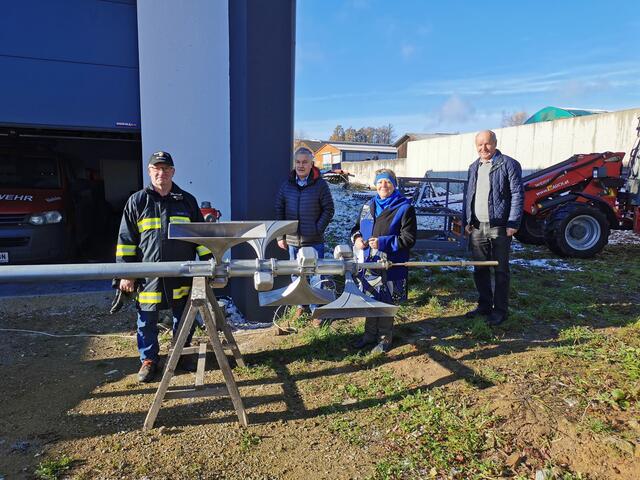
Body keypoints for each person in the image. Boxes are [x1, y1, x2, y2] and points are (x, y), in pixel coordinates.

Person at [116, 151, 213, 383]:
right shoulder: (137, 201)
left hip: (181, 273)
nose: (162, 173)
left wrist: (210, 264)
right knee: (147, 317)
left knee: (185, 315)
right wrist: (126, 274)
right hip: (148, 274)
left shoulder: (187, 201)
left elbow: (200, 237)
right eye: (156, 169)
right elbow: (126, 240)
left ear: (173, 172)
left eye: (166, 169)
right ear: (150, 171)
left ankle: (181, 352)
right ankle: (149, 360)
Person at [351, 168, 417, 354]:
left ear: (394, 184)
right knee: (371, 298)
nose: (383, 185)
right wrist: (357, 239)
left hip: (392, 264)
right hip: (369, 264)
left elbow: (409, 239)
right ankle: (369, 335)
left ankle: (384, 338)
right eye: (380, 182)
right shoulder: (367, 206)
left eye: (387, 182)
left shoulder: (404, 208)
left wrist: (383, 242)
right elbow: (356, 228)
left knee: (387, 301)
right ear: (375, 184)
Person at [464, 130, 524, 325]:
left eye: (487, 144)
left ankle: (500, 310)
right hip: (477, 227)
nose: (483, 148)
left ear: (495, 143)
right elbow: (469, 195)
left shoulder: (508, 164)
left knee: (500, 270)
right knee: (480, 268)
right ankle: (484, 305)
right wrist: (467, 220)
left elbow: (517, 193)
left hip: (500, 227)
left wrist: (513, 222)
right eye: (479, 145)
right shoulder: (474, 167)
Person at [275, 147, 335, 321]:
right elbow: (279, 209)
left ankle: (318, 311)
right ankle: (302, 305)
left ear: (311, 164)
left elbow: (329, 209)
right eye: (298, 162)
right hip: (292, 239)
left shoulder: (320, 185)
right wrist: (281, 236)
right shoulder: (287, 185)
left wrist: (318, 228)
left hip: (314, 239)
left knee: (316, 274)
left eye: (305, 162)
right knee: (296, 273)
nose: (301, 166)